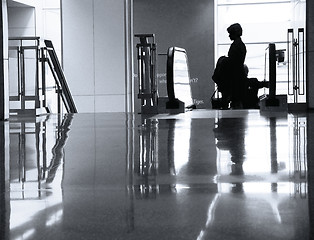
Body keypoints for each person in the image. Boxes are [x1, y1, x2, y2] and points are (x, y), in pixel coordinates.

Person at [226, 23, 247, 109]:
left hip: (235, 77)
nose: (229, 36)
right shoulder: (240, 45)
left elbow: (233, 62)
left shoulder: (236, 46)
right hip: (238, 76)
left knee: (236, 101)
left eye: (230, 33)